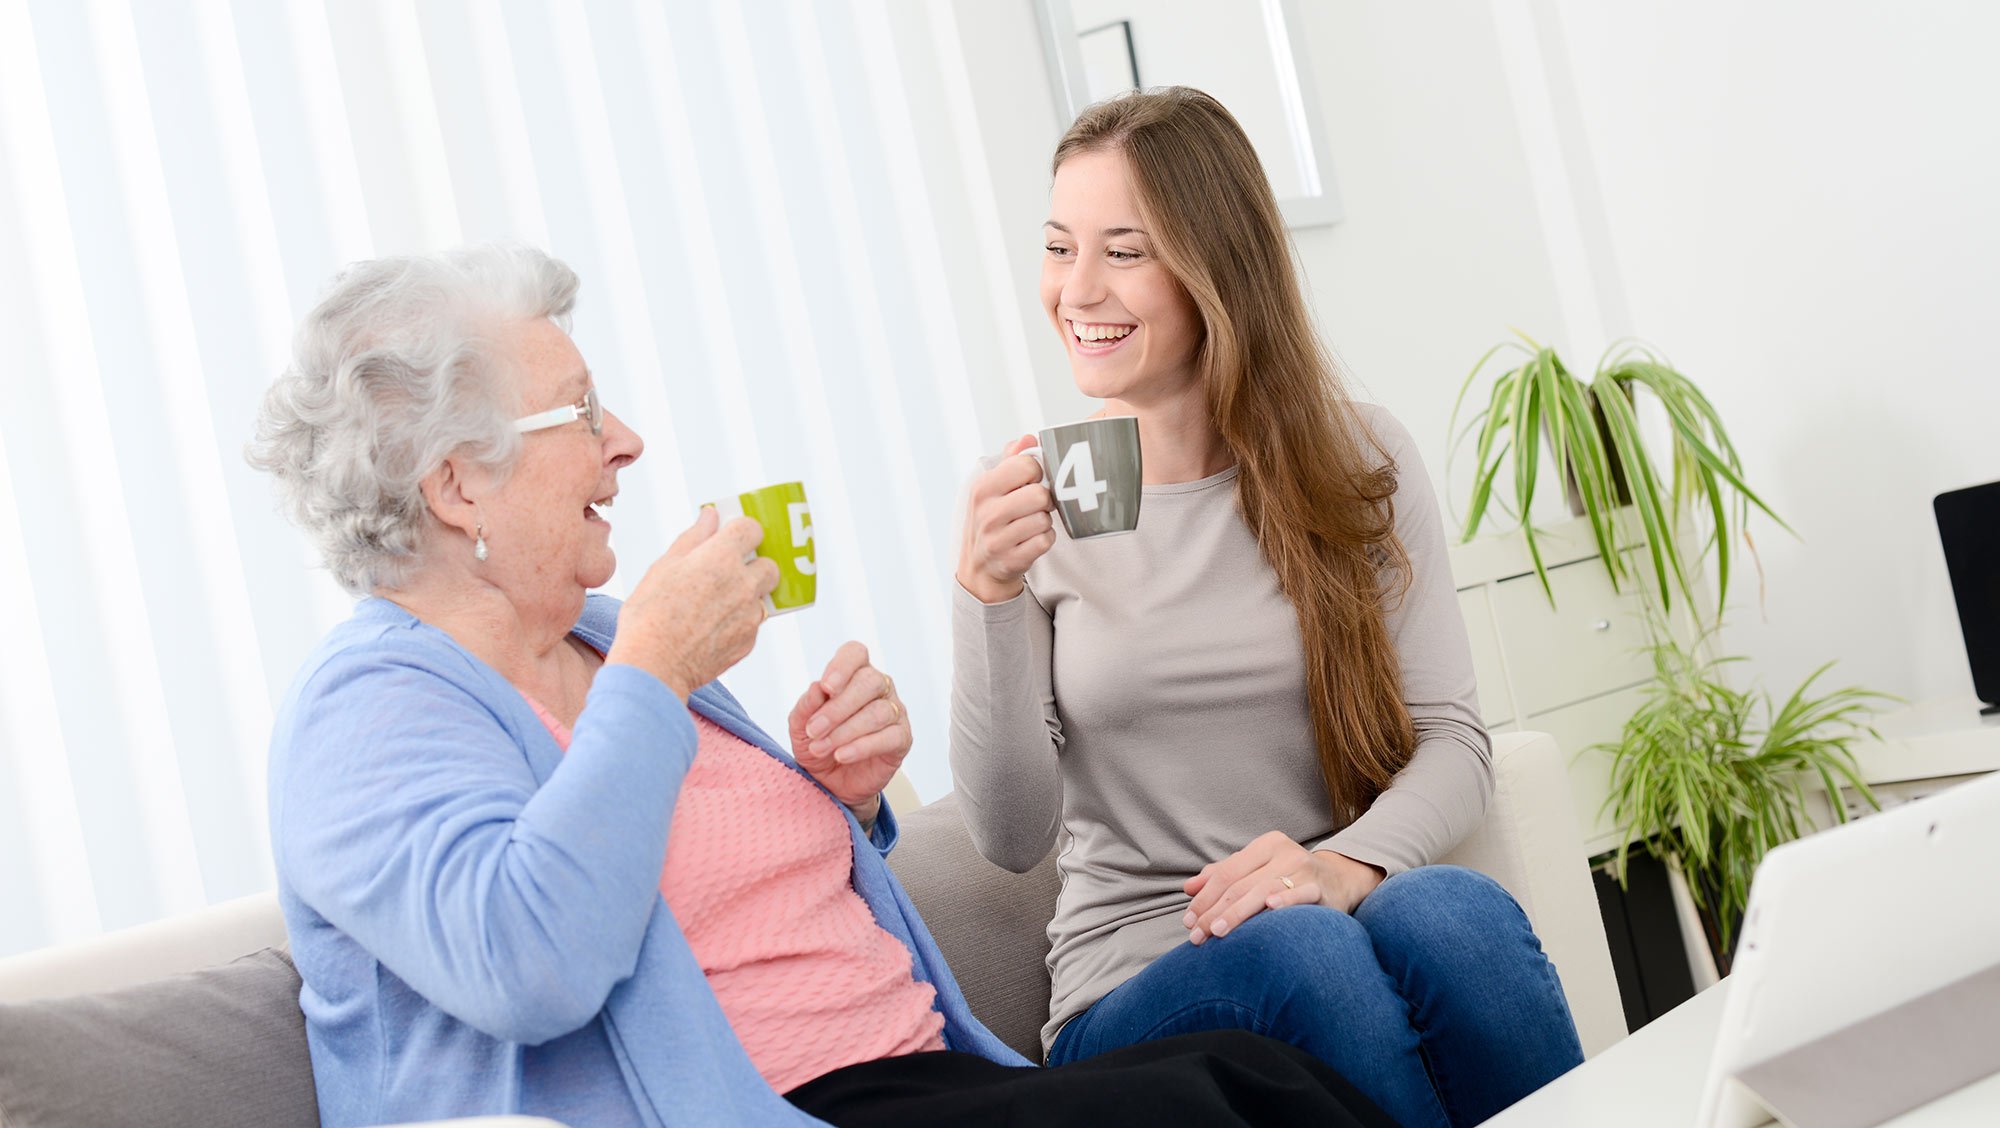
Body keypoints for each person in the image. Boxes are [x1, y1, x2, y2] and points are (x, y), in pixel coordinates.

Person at [249, 244, 1396, 1127]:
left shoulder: (606, 639)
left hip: (916, 1076)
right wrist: (655, 668)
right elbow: (527, 959)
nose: (629, 441)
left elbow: (706, 865)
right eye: (584, 410)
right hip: (789, 1107)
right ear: (456, 485)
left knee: (1259, 1080)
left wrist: (835, 794)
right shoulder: (368, 714)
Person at [950, 88, 1585, 1128]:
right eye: (1060, 246)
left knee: (1454, 913)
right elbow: (1012, 836)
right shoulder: (1034, 496)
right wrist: (984, 594)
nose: (1075, 289)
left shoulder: (1356, 459)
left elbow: (1450, 739)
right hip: (1134, 985)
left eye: (1122, 251)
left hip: (1320, 914)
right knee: (1305, 955)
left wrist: (1341, 865)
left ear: (1214, 270)